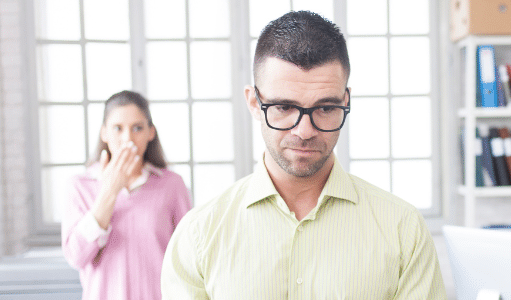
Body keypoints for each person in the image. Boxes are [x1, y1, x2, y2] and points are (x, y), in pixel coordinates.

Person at [160, 11, 446, 299]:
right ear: (254, 102)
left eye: (325, 108)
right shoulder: (198, 236)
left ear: (345, 102)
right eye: (284, 107)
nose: (305, 130)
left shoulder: (403, 229)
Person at [62, 90, 193, 300]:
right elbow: (76, 257)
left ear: (151, 132)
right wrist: (110, 191)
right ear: (104, 133)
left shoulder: (172, 185)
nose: (127, 139)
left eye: (137, 128)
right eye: (117, 128)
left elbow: (189, 258)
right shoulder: (80, 186)